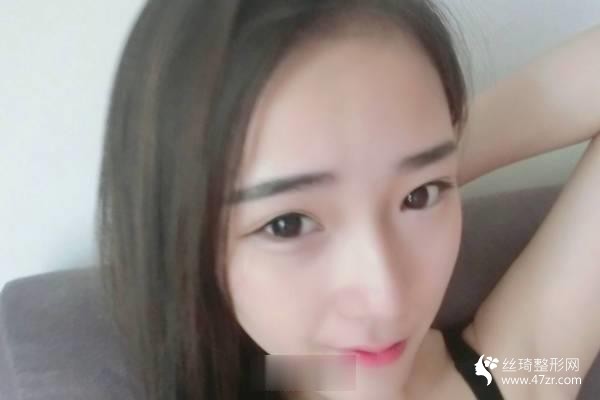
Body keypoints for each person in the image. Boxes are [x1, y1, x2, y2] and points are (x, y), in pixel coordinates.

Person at [95, 1, 600, 399]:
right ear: (186, 245)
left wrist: (431, 163)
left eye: (421, 197)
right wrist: (408, 174)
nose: (387, 298)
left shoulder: (512, 373)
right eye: (288, 224)